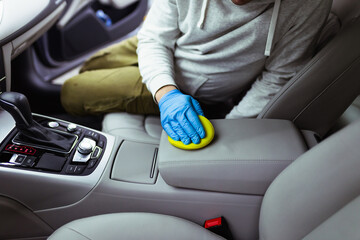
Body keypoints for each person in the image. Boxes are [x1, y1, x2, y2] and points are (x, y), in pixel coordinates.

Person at [61, 0, 333, 145]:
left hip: (195, 81)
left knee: (73, 92)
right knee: (94, 64)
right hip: (172, 43)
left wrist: (231, 128)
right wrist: (164, 93)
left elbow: (278, 76)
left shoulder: (308, 4)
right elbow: (155, 39)